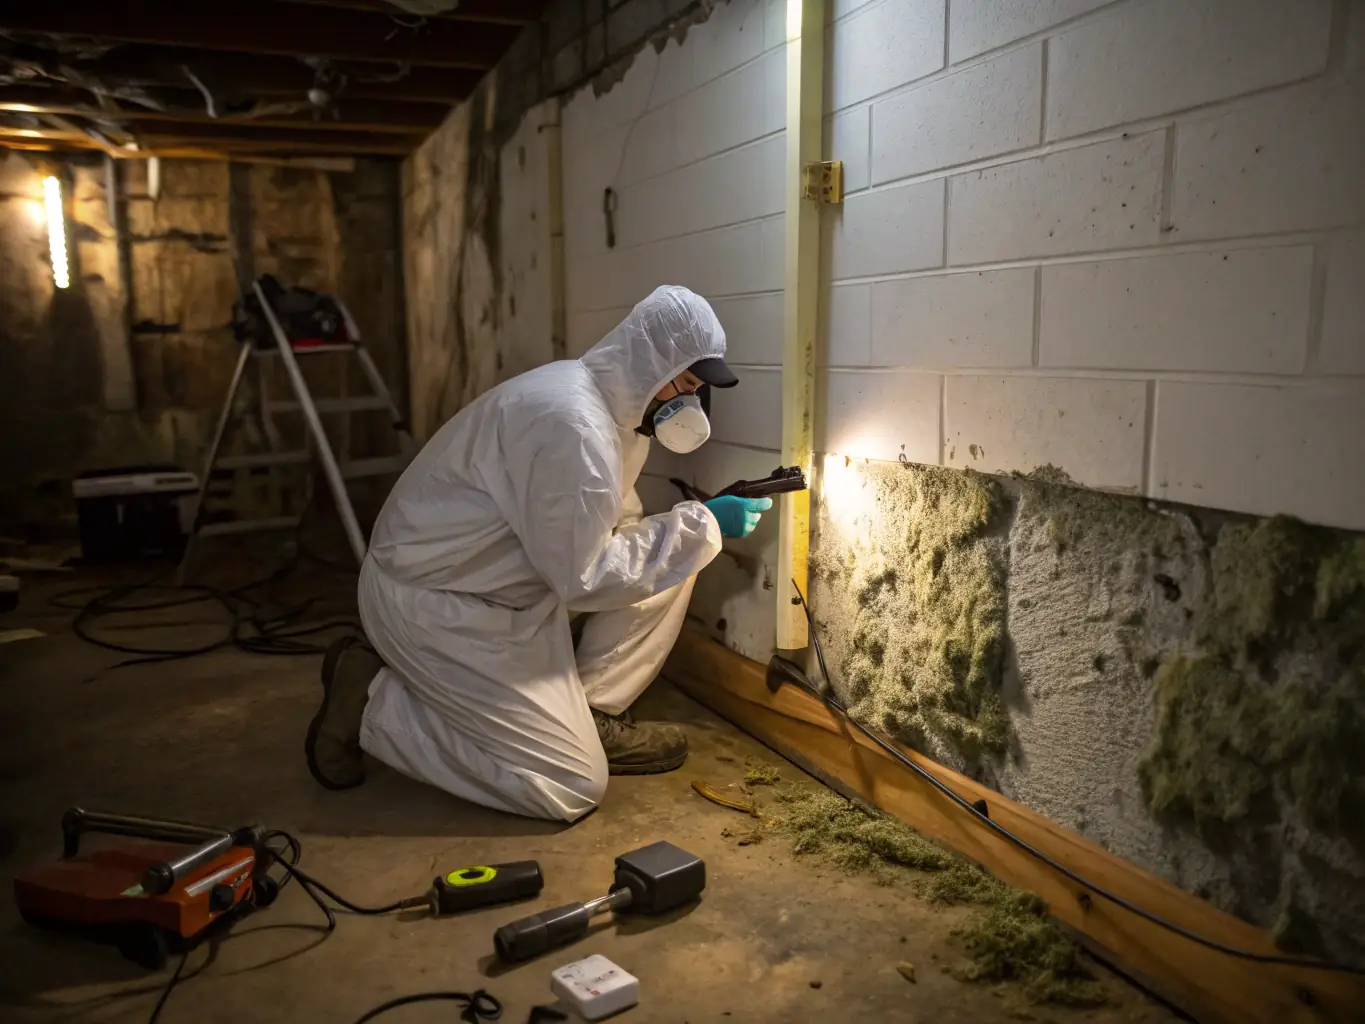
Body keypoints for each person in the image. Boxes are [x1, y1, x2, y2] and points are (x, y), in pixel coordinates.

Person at [304, 285, 773, 822]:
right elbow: (587, 576)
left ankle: (591, 710)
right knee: (571, 782)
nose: (691, 400)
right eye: (687, 382)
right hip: (437, 605)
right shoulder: (570, 426)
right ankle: (370, 699)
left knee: (679, 557)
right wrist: (705, 523)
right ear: (651, 363)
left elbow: (619, 525)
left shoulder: (618, 415)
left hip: (505, 587)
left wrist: (697, 528)